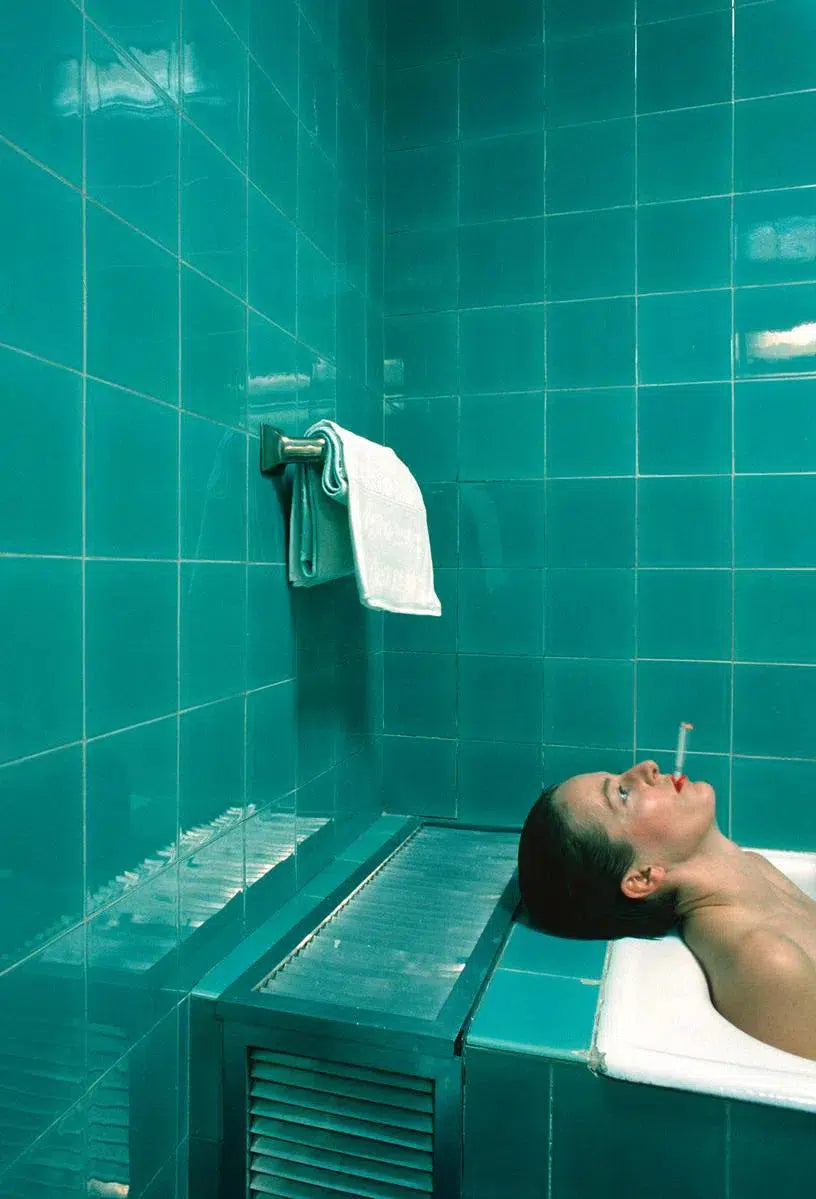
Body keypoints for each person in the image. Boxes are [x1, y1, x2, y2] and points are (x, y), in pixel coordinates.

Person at [518, 760, 816, 1060]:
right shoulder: (764, 960)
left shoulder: (757, 868)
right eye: (623, 794)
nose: (647, 767)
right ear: (643, 877)